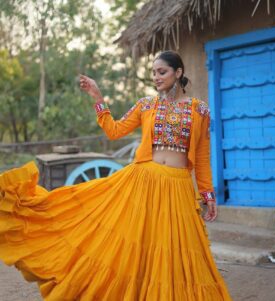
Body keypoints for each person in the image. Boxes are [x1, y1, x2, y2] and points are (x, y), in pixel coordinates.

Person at [0, 50, 232, 300]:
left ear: (178, 73)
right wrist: (97, 96)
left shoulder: (200, 111)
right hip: (143, 182)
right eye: (153, 72)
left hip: (177, 189)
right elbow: (115, 130)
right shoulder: (146, 105)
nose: (156, 77)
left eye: (161, 72)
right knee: (135, 249)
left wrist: (208, 194)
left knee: (176, 252)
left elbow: (201, 159)